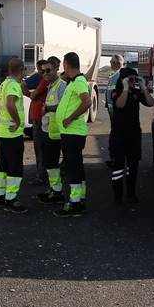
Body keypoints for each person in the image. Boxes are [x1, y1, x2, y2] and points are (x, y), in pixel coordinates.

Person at [53, 52, 93, 218]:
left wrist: (70, 117)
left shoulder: (79, 82)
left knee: (73, 168)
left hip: (73, 132)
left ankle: (75, 204)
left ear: (67, 64)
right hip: (70, 132)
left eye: (64, 64)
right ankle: (80, 199)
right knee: (76, 166)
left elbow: (87, 101)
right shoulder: (74, 81)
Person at [109, 67, 154, 204]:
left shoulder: (136, 92)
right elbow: (120, 105)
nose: (132, 82)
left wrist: (143, 88)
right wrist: (124, 88)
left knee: (133, 166)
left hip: (134, 134)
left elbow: (151, 103)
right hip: (119, 135)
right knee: (118, 166)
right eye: (129, 79)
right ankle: (118, 196)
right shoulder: (116, 92)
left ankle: (131, 193)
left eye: (134, 79)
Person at [0, 57, 28, 213]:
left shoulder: (4, 84)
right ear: (22, 70)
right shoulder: (14, 85)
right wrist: (16, 120)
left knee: (3, 164)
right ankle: (11, 200)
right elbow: (9, 103)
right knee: (15, 166)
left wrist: (4, 116)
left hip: (2, 130)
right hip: (12, 133)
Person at [37, 56, 67, 204]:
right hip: (47, 130)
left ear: (56, 69)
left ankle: (57, 192)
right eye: (43, 71)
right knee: (50, 163)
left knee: (52, 163)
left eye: (48, 70)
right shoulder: (51, 86)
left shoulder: (61, 86)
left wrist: (47, 108)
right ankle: (54, 189)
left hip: (56, 133)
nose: (45, 74)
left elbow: (64, 107)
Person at [24, 59, 50, 186]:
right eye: (43, 70)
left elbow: (27, 89)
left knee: (41, 148)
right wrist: (32, 96)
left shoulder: (44, 79)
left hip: (42, 119)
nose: (44, 73)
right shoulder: (44, 78)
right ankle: (44, 174)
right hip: (40, 118)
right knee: (43, 149)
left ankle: (42, 175)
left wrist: (32, 96)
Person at [105, 54, 124, 169]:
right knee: (114, 137)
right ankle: (115, 159)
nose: (110, 63)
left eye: (111, 61)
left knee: (116, 138)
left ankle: (116, 161)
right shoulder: (114, 76)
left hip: (117, 114)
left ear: (117, 63)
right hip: (114, 114)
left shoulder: (119, 76)